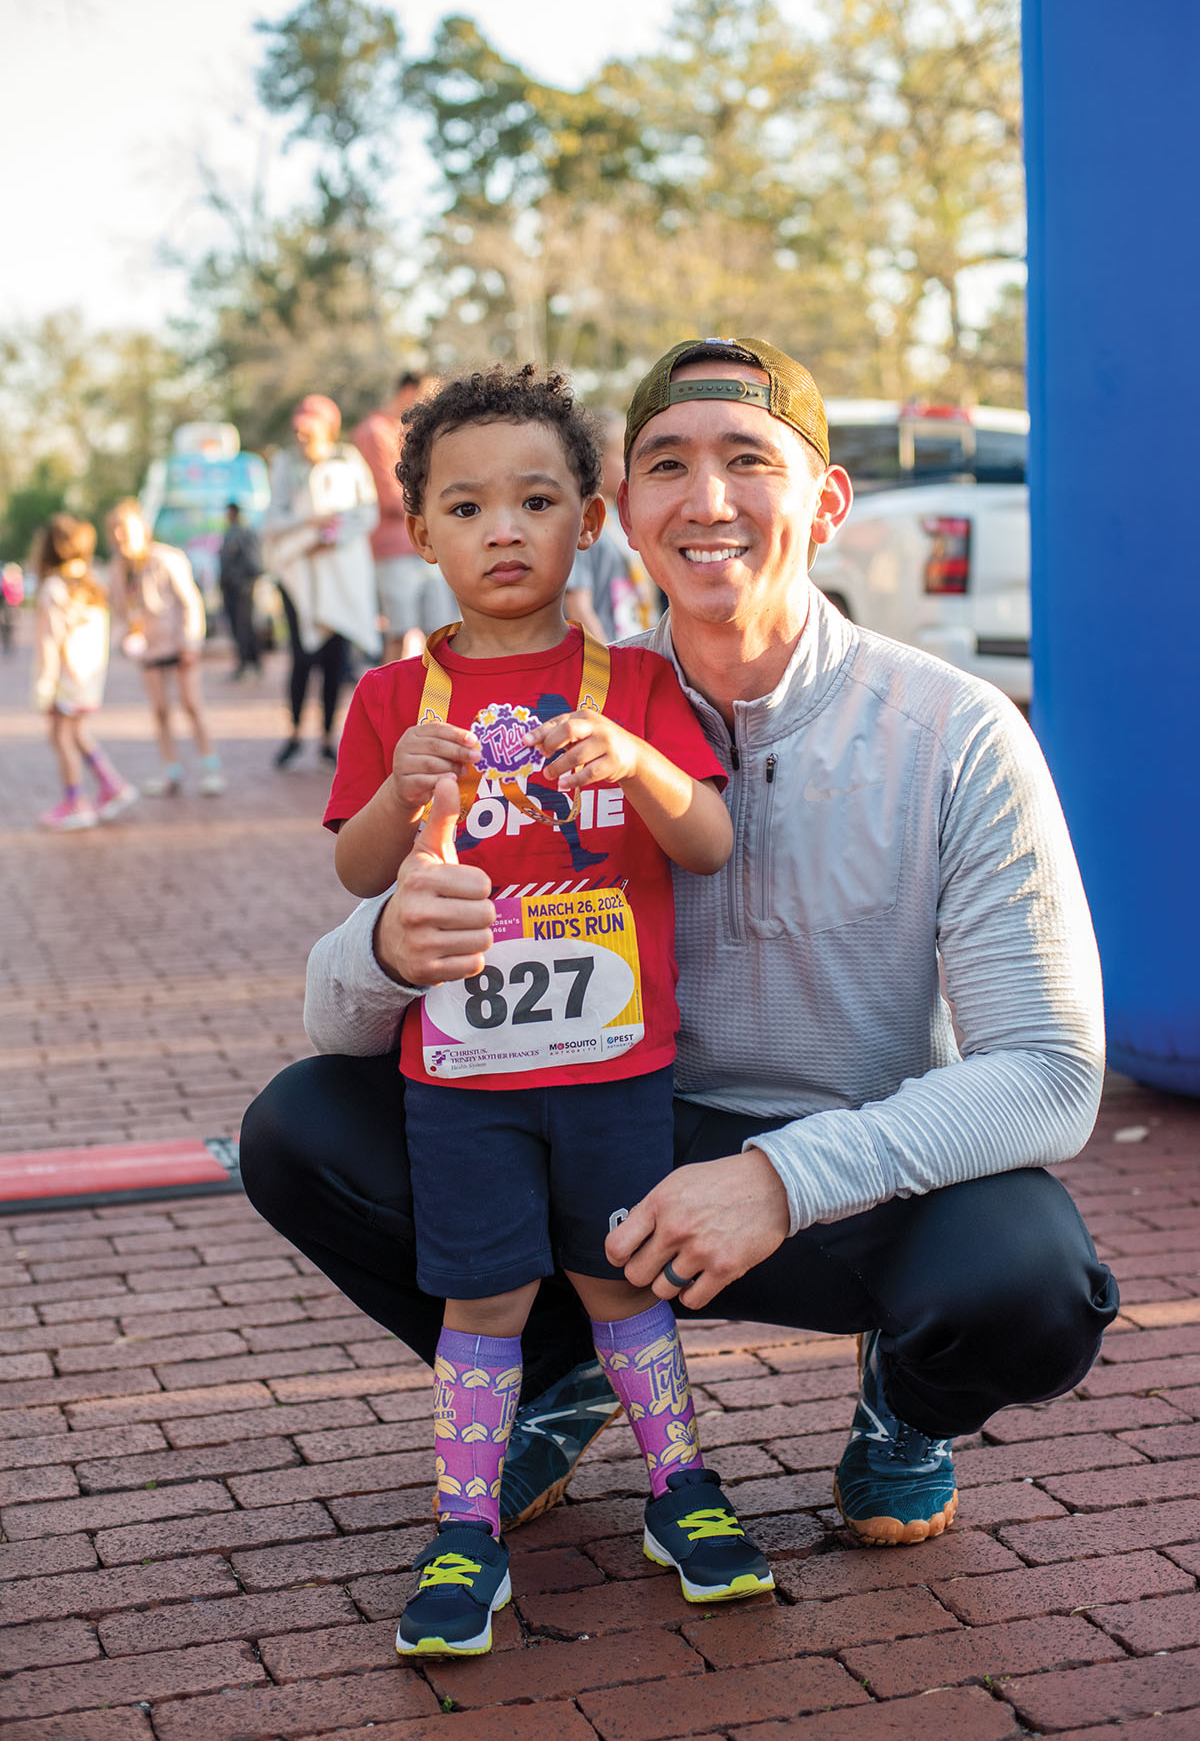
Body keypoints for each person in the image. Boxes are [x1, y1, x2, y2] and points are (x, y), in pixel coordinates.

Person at [241, 336, 1117, 1603]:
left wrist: (779, 1176)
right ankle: (563, 1363)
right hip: (602, 1135)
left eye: (747, 461)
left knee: (1029, 1282)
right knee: (300, 1126)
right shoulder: (524, 706)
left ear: (822, 503)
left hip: (849, 1167)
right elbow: (333, 1006)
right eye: (669, 466)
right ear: (629, 520)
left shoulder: (957, 733)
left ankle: (903, 1410)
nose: (707, 501)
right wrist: (384, 946)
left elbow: (1047, 1074)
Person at [327, 363, 770, 1657]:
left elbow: (709, 842)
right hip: (461, 1078)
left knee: (623, 1278)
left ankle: (679, 1487)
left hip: (617, 1063)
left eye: (535, 500)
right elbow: (356, 876)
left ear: (593, 515)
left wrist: (637, 766)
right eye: (465, 508)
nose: (503, 529)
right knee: (485, 1294)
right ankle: (466, 1523)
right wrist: (398, 796)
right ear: (421, 531)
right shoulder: (391, 700)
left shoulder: (632, 684)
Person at [261, 394, 380, 769]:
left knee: (336, 659)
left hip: (340, 572)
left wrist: (332, 535)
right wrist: (307, 529)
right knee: (301, 657)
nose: (302, 438)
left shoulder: (347, 460)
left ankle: (329, 737)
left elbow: (366, 511)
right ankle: (295, 733)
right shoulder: (284, 464)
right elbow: (273, 520)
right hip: (300, 576)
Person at [106, 499, 225, 796]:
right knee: (160, 710)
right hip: (148, 650)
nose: (121, 538)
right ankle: (170, 770)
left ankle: (211, 768)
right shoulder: (118, 570)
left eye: (126, 530)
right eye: (116, 532)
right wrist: (124, 639)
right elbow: (120, 613)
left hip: (178, 646)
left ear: (141, 530)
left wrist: (190, 643)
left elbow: (190, 602)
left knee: (191, 705)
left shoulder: (166, 558)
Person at [30, 513, 137, 830]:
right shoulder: (91, 583)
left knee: (61, 737)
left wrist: (44, 688)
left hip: (64, 681)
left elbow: (49, 643)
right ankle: (111, 785)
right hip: (87, 680)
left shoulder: (54, 588)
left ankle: (75, 801)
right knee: (75, 734)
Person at [353, 370, 459, 663]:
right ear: (407, 392)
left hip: (429, 545)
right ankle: (388, 706)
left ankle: (439, 706)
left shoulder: (421, 433)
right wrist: (443, 508)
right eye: (428, 396)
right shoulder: (374, 431)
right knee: (398, 633)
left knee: (441, 635)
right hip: (395, 549)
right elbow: (388, 497)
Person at [565, 411, 661, 642]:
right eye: (622, 455)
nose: (630, 465)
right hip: (607, 657)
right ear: (595, 459)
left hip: (635, 648)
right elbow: (578, 607)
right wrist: (607, 662)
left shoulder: (618, 519)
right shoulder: (582, 524)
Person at [218, 502, 262, 679]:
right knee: (239, 627)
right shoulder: (231, 533)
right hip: (232, 587)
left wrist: (244, 581)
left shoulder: (243, 533)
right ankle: (246, 662)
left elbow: (253, 563)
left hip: (241, 587)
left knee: (244, 626)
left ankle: (250, 662)